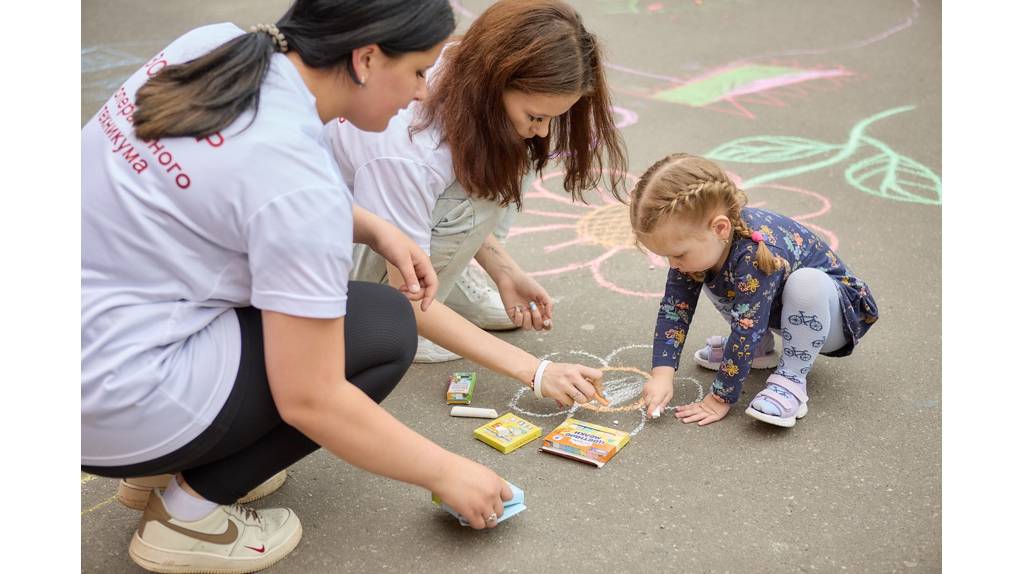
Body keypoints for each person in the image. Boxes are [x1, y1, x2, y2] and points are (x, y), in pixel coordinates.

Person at [81, 2, 518, 572]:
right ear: (365, 58)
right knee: (381, 327)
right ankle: (187, 519)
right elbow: (311, 399)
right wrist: (447, 471)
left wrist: (370, 224)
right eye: (417, 71)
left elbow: (234, 186)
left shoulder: (210, 46)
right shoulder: (298, 184)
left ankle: (156, 472)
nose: (419, 93)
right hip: (110, 402)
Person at [325, 0, 628, 403]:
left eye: (553, 118)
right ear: (494, 83)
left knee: (501, 157)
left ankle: (451, 277)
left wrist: (505, 271)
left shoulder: (462, 65)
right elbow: (407, 299)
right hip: (333, 241)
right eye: (537, 115)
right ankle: (409, 305)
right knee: (486, 171)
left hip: (380, 205)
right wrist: (536, 371)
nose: (543, 132)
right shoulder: (408, 152)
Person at [631, 153, 879, 428]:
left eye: (677, 254)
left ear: (720, 227)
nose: (672, 264)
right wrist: (662, 374)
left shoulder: (754, 253)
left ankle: (791, 380)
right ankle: (760, 350)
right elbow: (675, 308)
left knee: (806, 282)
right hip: (775, 310)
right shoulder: (709, 244)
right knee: (701, 268)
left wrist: (720, 397)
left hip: (835, 318)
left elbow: (746, 327)